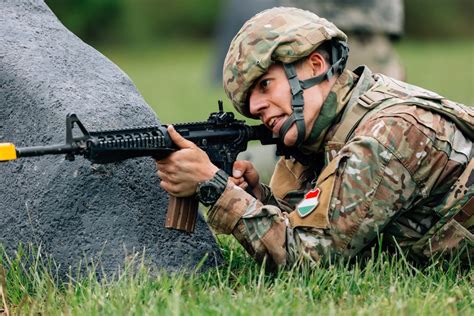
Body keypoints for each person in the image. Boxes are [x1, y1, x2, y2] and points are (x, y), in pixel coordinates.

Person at [157, 7, 473, 269]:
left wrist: (216, 187)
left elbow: (307, 260)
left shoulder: (385, 135)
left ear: (315, 65)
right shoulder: (326, 130)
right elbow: (306, 223)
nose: (255, 107)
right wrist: (258, 198)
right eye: (250, 99)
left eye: (265, 85)